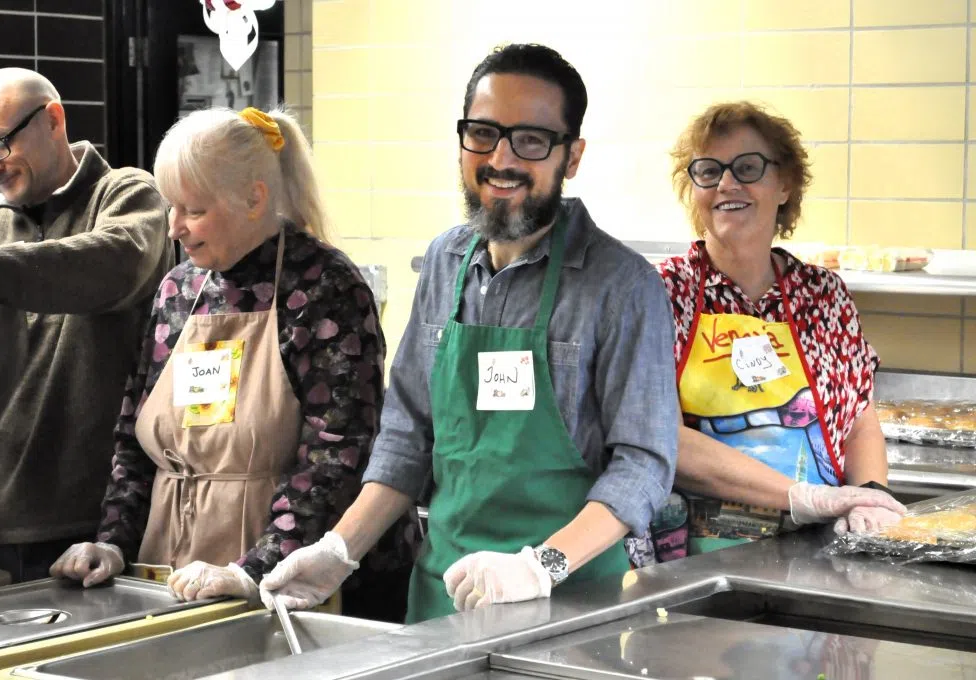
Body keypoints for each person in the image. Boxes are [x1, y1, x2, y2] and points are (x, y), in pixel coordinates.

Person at [256, 44, 678, 623]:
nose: (500, 158)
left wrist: (540, 566)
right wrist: (339, 549)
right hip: (444, 599)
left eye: (531, 140)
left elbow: (644, 465)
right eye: (482, 133)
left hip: (576, 604)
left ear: (571, 156)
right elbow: (407, 436)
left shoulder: (623, 287)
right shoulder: (444, 261)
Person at [50, 106, 418, 623]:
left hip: (297, 586)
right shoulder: (179, 290)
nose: (175, 228)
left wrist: (256, 567)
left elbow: (339, 454)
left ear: (253, 199)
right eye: (169, 208)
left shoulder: (324, 287)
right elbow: (135, 437)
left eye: (193, 211)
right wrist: (112, 544)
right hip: (176, 578)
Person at [642, 101, 904, 562]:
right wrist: (802, 496)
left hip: (816, 552)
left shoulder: (822, 296)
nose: (726, 183)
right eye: (708, 170)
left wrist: (869, 496)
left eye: (747, 167)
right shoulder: (663, 295)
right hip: (696, 563)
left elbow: (858, 420)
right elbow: (658, 437)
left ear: (784, 184)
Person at [0, 68, 173, 581]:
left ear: (53, 120)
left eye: (0, 145)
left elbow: (116, 263)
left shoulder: (126, 195)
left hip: (99, 519)